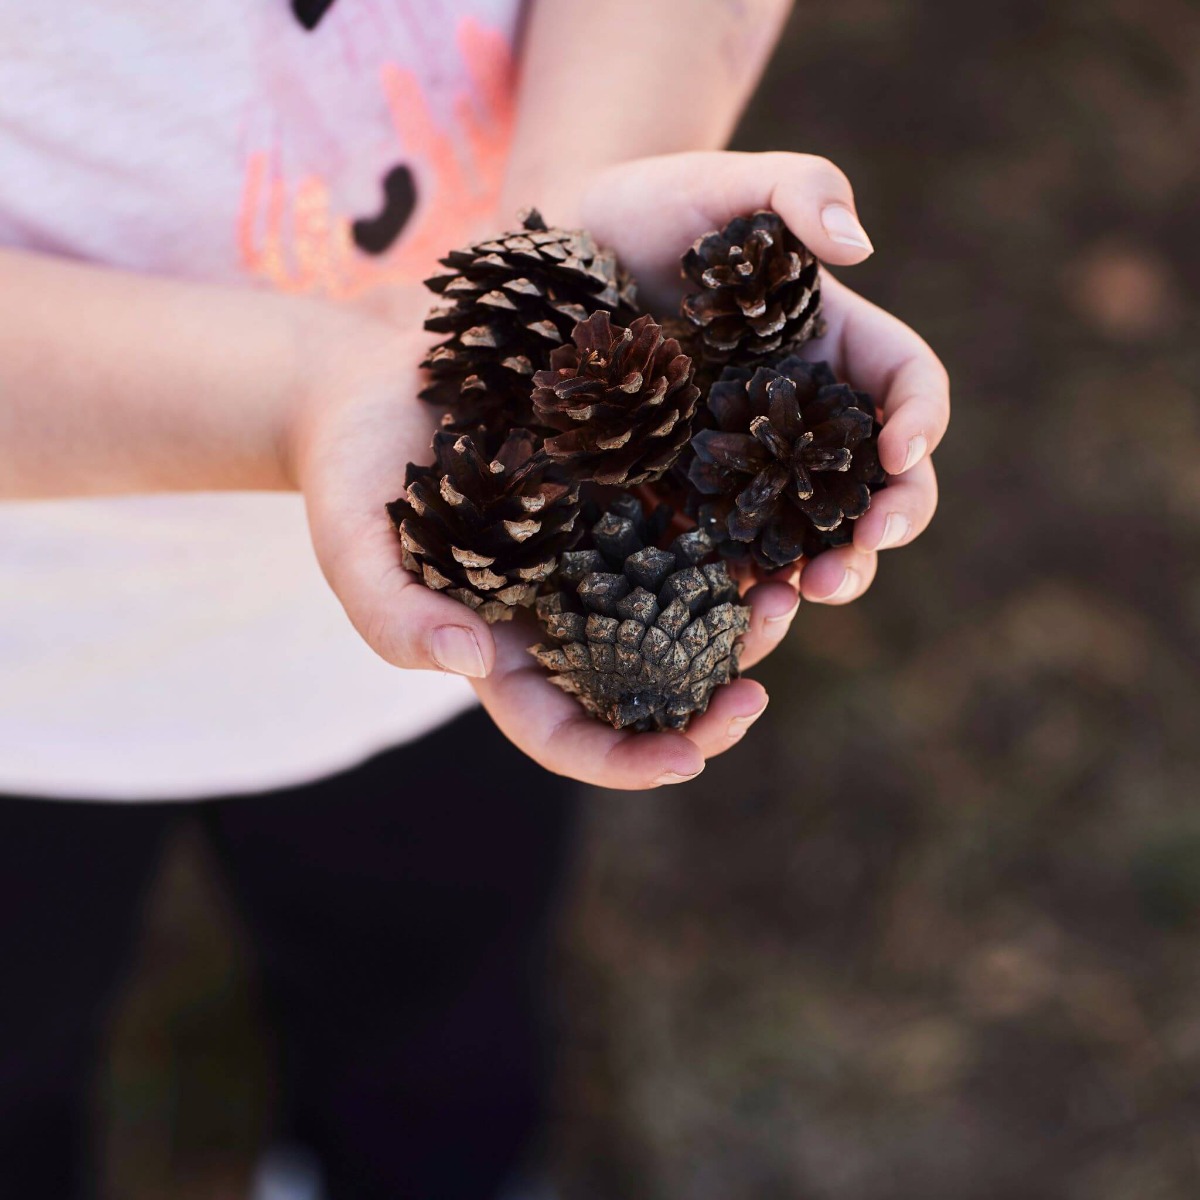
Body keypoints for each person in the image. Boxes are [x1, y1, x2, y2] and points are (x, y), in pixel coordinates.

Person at [0, 1, 949, 1197]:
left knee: (433, 973)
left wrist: (585, 221)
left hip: (455, 644)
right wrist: (298, 394)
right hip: (25, 670)